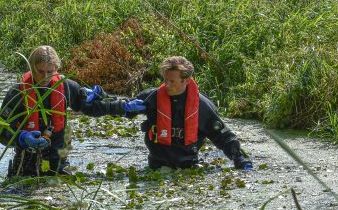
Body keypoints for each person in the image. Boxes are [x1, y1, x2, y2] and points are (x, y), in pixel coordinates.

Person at [101, 56, 253, 171]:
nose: (166, 85)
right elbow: (122, 106)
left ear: (186, 80)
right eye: (165, 80)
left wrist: (240, 160)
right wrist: (99, 98)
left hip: (188, 168)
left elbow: (223, 137)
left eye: (172, 81)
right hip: (155, 166)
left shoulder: (202, 106)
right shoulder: (151, 97)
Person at [0, 45, 113, 177]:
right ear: (30, 68)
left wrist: (116, 102)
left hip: (58, 161)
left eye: (50, 72)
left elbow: (95, 107)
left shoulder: (67, 87)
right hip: (26, 163)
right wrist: (22, 137)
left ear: (56, 69)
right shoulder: (17, 93)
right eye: (40, 72)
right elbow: (2, 132)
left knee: (62, 190)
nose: (45, 77)